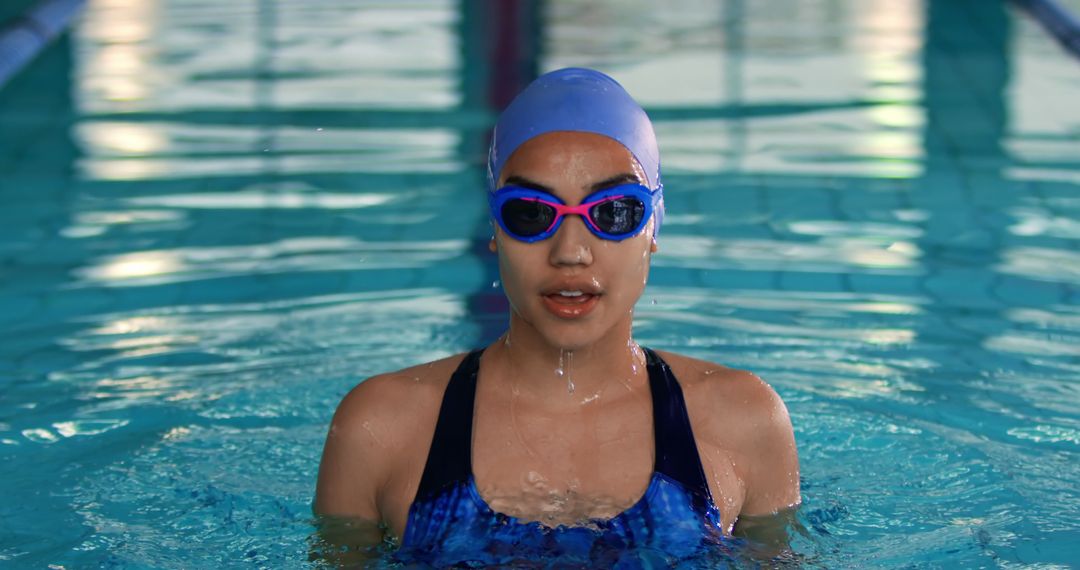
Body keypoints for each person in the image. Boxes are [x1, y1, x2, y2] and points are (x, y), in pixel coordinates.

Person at [313, 68, 800, 567]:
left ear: (654, 224)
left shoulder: (744, 421)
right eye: (531, 212)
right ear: (494, 228)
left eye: (613, 212)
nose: (570, 252)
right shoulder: (380, 428)